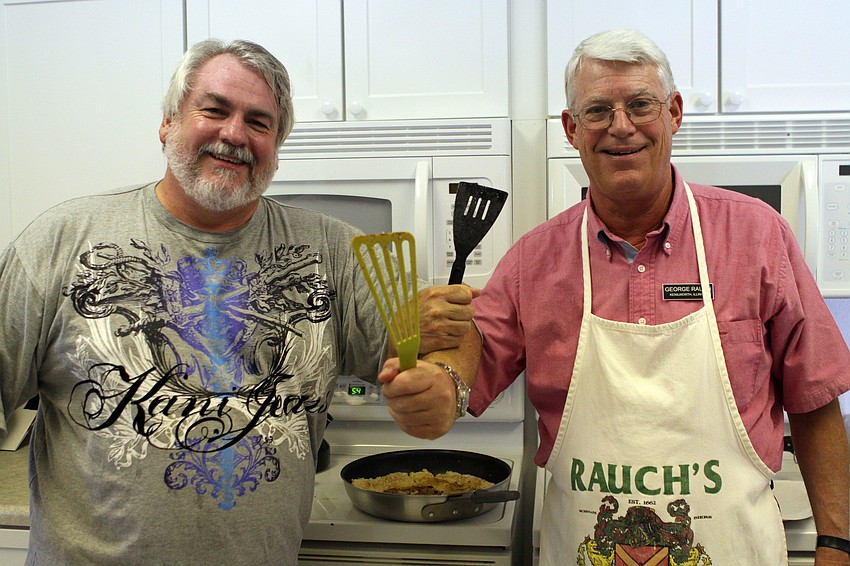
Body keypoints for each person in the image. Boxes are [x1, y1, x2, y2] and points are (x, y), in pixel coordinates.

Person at [380, 29, 850, 565]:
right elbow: (470, 357)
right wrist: (433, 385)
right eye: (598, 110)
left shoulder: (757, 236)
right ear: (571, 129)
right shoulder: (535, 260)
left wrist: (836, 542)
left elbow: (815, 399)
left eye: (640, 105)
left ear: (673, 112)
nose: (620, 126)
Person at [0, 39, 475, 564]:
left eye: (259, 121)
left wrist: (443, 383)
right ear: (167, 123)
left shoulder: (333, 252)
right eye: (214, 109)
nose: (234, 134)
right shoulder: (63, 242)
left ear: (277, 142)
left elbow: (439, 339)